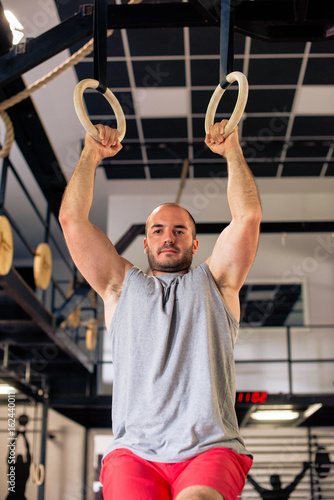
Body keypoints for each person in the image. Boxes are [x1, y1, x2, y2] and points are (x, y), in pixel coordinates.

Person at [59, 119, 262, 500]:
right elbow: (72, 220)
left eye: (179, 230)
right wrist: (91, 153)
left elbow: (247, 217)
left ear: (195, 244)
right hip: (134, 451)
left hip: (209, 447)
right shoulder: (120, 285)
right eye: (158, 230)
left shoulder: (217, 283)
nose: (168, 236)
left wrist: (233, 150)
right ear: (147, 244)